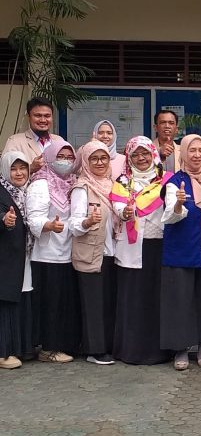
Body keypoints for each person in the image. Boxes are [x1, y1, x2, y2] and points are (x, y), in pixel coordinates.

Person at [110, 136, 173, 365]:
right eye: (135, 154)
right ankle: (131, 351)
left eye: (145, 153)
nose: (141, 158)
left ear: (153, 154)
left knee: (155, 298)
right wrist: (125, 212)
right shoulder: (123, 181)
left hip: (158, 246)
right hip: (131, 248)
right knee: (133, 299)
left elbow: (173, 208)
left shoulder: (166, 180)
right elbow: (118, 205)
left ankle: (159, 351)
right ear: (129, 158)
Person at [161, 134, 201, 371]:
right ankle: (181, 349)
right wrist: (178, 204)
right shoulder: (175, 181)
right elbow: (169, 216)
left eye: (200, 150)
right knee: (180, 301)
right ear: (183, 154)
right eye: (192, 150)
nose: (196, 155)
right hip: (182, 250)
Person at [27, 140, 81, 363]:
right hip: (46, 254)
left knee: (63, 303)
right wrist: (48, 225)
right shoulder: (41, 184)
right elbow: (33, 217)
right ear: (49, 158)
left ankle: (63, 344)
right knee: (50, 303)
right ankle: (48, 348)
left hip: (68, 252)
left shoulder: (72, 182)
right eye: (60, 156)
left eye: (69, 157)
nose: (65, 161)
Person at [70, 141, 118, 366]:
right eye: (94, 159)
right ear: (86, 162)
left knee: (107, 302)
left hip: (111, 252)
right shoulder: (82, 188)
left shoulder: (113, 185)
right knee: (93, 304)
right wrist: (87, 222)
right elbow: (73, 224)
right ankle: (94, 350)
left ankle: (107, 346)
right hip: (91, 253)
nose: (100, 163)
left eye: (104, 158)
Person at [0, 152, 32, 369]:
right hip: (5, 259)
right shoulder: (2, 190)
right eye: (13, 168)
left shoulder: (26, 192)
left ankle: (19, 348)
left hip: (21, 257)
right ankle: (3, 353)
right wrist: (5, 220)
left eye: (23, 168)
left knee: (18, 301)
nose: (19, 173)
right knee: (5, 303)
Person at [3, 97, 62, 174]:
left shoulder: (59, 141)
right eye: (38, 116)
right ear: (29, 117)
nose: (43, 120)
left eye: (47, 116)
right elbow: (5, 173)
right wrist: (30, 168)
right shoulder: (15, 141)